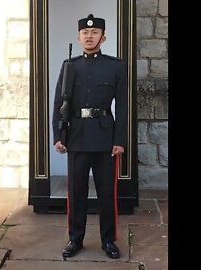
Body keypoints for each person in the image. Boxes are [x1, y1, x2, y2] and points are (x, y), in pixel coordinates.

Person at [52, 13, 128, 259]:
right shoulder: (69, 66)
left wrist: (120, 140)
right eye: (85, 33)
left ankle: (109, 241)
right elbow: (58, 105)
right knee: (76, 192)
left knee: (107, 194)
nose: (89, 36)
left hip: (105, 138)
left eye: (94, 32)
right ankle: (75, 239)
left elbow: (124, 107)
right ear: (79, 36)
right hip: (76, 137)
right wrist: (58, 136)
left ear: (103, 37)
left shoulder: (115, 66)